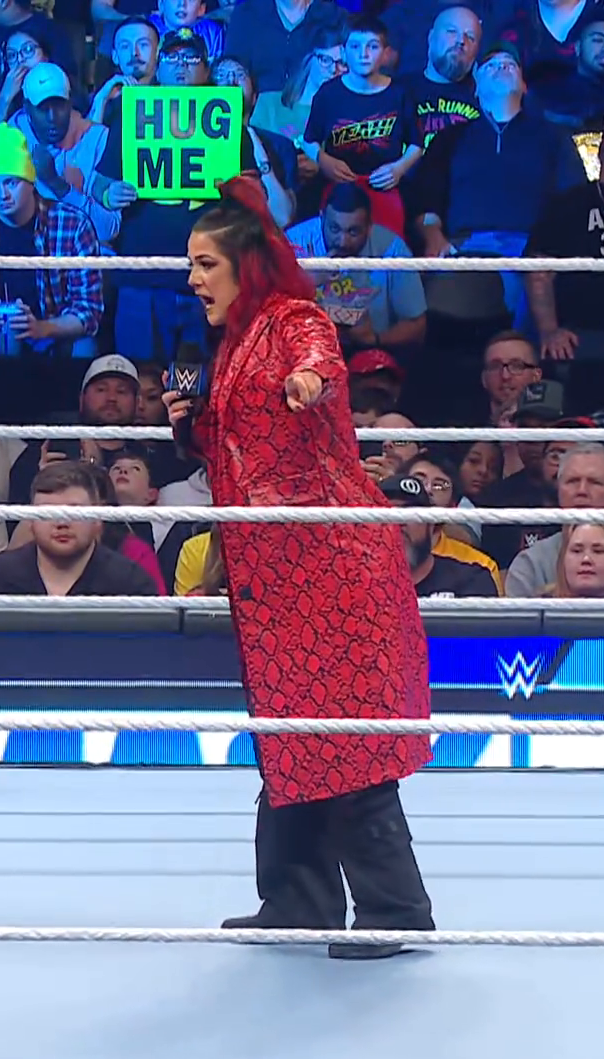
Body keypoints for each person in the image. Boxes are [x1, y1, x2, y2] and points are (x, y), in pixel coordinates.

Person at [163, 175, 434, 962]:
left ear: (243, 264)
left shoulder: (292, 319)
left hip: (328, 566)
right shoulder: (233, 341)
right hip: (272, 572)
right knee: (288, 739)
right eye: (190, 264)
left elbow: (321, 360)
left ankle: (396, 910)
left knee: (342, 740)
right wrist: (190, 428)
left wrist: (310, 379)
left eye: (205, 264)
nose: (193, 279)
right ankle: (297, 901)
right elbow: (241, 454)